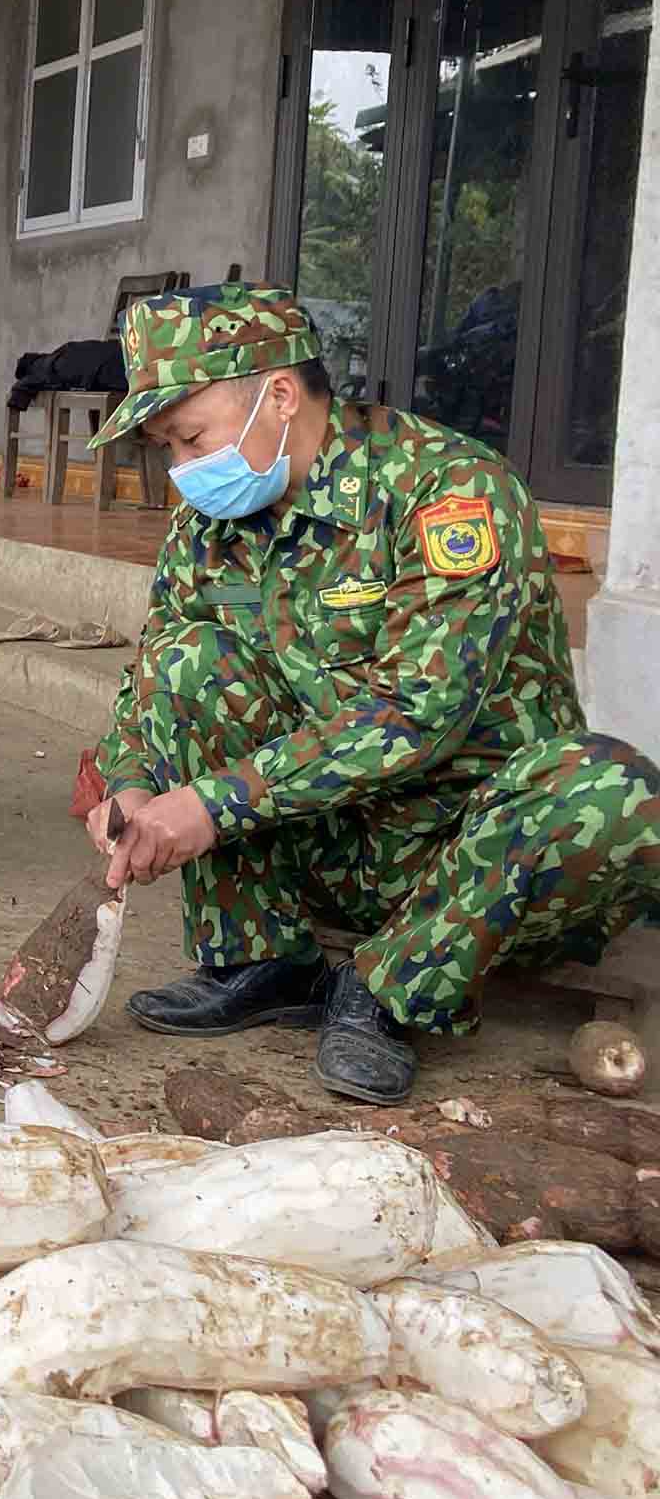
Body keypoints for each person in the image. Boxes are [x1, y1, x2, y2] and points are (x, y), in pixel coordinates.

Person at [80, 282, 660, 1106]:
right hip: (325, 843)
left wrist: (213, 803)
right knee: (193, 661)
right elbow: (158, 667)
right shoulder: (209, 524)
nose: (182, 468)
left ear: (278, 395)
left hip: (469, 860)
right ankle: (265, 958)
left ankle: (390, 992)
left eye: (189, 436)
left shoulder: (449, 492)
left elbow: (418, 713)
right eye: (167, 447)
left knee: (610, 786)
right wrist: (133, 782)